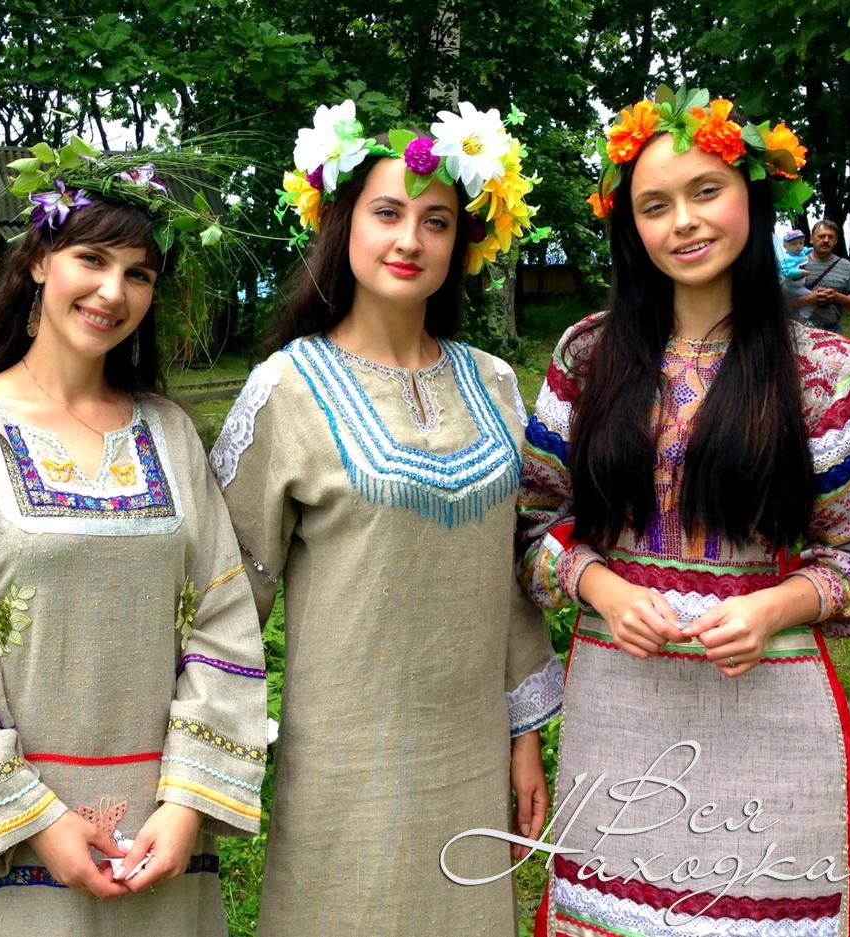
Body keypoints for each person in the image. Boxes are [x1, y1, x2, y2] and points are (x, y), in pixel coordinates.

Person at [0, 140, 267, 936]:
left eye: (139, 273)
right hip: (13, 844)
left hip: (159, 841)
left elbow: (224, 620)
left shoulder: (169, 433)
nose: (113, 291)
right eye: (92, 258)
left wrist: (187, 803)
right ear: (39, 260)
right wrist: (39, 821)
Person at [211, 99, 563, 935]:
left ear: (462, 242)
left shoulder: (496, 384)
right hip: (344, 762)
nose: (411, 239)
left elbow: (509, 575)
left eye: (437, 221)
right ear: (343, 226)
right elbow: (227, 590)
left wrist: (524, 735)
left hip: (470, 751)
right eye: (387, 213)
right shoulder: (287, 386)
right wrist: (208, 754)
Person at [520, 87, 850, 935]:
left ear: (753, 196)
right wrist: (599, 584)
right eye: (655, 205)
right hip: (616, 717)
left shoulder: (829, 373)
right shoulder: (587, 356)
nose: (684, 221)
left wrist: (775, 605)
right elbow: (531, 525)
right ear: (628, 225)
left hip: (771, 716)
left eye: (707, 191)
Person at [799, 217, 850, 332]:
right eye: (821, 236)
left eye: (830, 237)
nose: (826, 240)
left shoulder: (846, 266)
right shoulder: (797, 265)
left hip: (832, 330)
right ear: (811, 239)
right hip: (799, 330)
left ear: (836, 241)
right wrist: (809, 299)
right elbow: (782, 300)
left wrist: (835, 296)